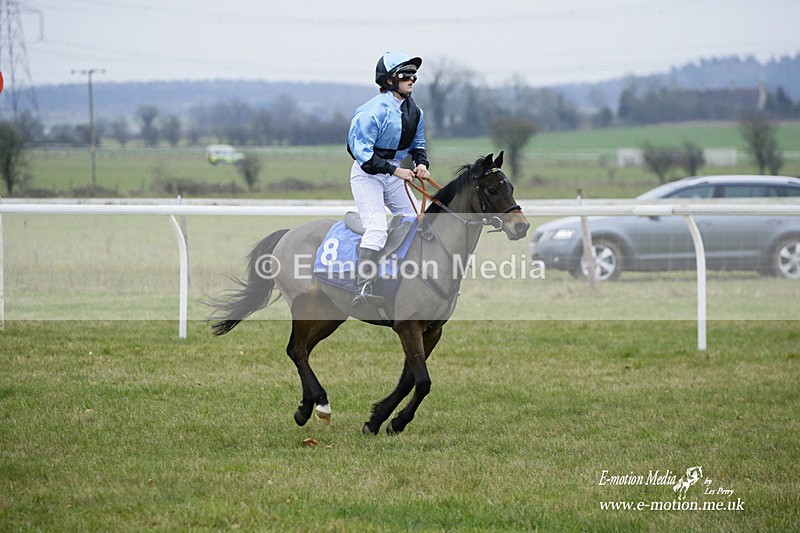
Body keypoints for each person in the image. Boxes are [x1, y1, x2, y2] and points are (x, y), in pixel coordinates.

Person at [347, 51, 430, 307]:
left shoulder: (415, 111)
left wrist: (421, 164)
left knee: (418, 221)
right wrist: (397, 171)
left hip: (394, 173)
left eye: (414, 74)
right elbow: (363, 156)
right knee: (378, 228)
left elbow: (418, 144)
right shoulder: (371, 112)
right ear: (390, 80)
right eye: (406, 74)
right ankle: (363, 287)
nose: (412, 79)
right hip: (368, 175)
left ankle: (410, 279)